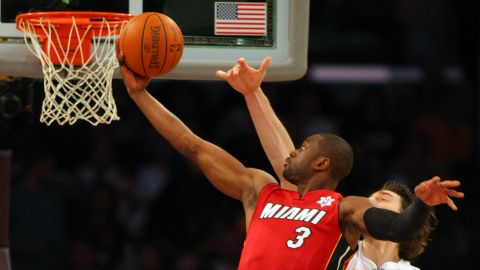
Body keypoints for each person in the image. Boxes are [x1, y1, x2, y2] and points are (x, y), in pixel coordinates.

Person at [117, 49, 463, 269]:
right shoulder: (259, 188)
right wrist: (139, 94)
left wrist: (420, 203)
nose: (294, 150)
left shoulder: (343, 208)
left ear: (323, 163)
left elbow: (399, 228)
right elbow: (192, 145)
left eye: (304, 145)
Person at [215, 57, 447, 269]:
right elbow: (284, 161)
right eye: (374, 196)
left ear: (402, 215)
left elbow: (401, 228)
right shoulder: (341, 248)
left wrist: (421, 205)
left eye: (383, 199)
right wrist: (253, 93)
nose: (371, 200)